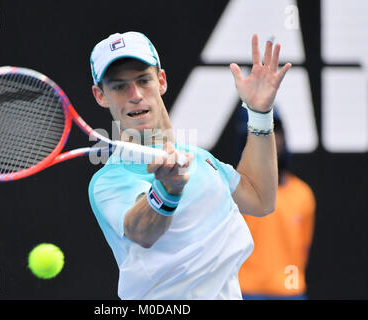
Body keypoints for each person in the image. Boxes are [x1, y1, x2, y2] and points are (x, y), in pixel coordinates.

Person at [87, 31, 291, 299]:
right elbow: (142, 232)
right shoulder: (108, 182)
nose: (135, 94)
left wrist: (260, 114)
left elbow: (261, 199)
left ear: (161, 81)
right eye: (118, 86)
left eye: (143, 80)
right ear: (100, 96)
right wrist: (166, 191)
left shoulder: (204, 161)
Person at [236, 111, 316, 300]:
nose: (271, 139)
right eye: (258, 132)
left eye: (274, 131)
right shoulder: (235, 191)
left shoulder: (303, 194)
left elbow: (304, 250)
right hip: (245, 291)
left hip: (290, 292)